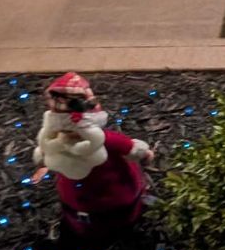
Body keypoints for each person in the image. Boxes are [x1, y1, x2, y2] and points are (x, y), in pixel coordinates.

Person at [31, 72, 153, 237]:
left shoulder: (54, 143)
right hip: (117, 194)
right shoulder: (106, 140)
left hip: (75, 199)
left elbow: (43, 155)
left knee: (84, 218)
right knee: (119, 217)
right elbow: (133, 150)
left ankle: (84, 229)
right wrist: (145, 155)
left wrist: (43, 163)